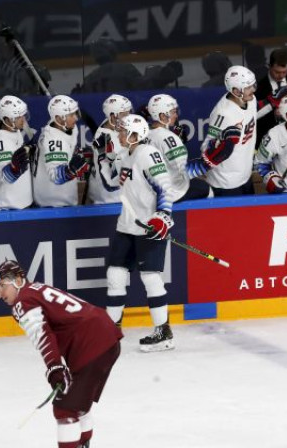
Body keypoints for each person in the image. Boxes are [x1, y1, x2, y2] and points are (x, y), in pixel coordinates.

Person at [0, 259, 122, 448]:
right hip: (105, 335)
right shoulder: (36, 289)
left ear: (18, 280)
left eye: (2, 286)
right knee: (77, 403)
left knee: (64, 409)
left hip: (91, 344)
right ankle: (83, 444)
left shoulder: (23, 301)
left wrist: (54, 368)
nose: (0, 293)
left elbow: (42, 334)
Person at [97, 114, 177, 351]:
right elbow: (110, 184)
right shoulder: (126, 155)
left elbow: (166, 188)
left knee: (151, 278)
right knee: (115, 275)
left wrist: (163, 216)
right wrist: (103, 157)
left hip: (149, 226)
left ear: (135, 135)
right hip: (127, 225)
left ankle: (164, 333)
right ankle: (111, 330)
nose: (119, 135)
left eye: (123, 132)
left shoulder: (148, 155)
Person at [202, 65, 260, 197]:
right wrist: (220, 143)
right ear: (236, 91)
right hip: (225, 183)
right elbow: (206, 146)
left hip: (245, 176)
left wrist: (272, 103)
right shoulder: (223, 114)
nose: (253, 90)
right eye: (248, 87)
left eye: (253, 85)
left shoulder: (251, 100)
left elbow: (250, 117)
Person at [146, 93, 215, 201]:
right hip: (169, 193)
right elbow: (182, 170)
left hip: (150, 190)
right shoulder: (168, 138)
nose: (176, 115)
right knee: (207, 189)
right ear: (162, 116)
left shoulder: (145, 134)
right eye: (173, 112)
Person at [33, 95, 89, 207]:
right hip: (53, 203)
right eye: (71, 115)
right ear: (58, 119)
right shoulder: (53, 139)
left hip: (62, 198)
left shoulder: (63, 126)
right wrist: (71, 170)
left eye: (75, 113)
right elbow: (56, 176)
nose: (76, 118)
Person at [0, 95, 33, 210]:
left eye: (23, 115)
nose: (23, 119)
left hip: (16, 202)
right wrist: (13, 169)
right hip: (4, 206)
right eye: (18, 116)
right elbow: (1, 176)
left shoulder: (12, 130)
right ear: (6, 120)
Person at [87, 94, 133, 205]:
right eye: (125, 114)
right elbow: (112, 177)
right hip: (110, 200)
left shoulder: (110, 125)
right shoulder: (106, 141)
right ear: (113, 117)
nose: (129, 117)